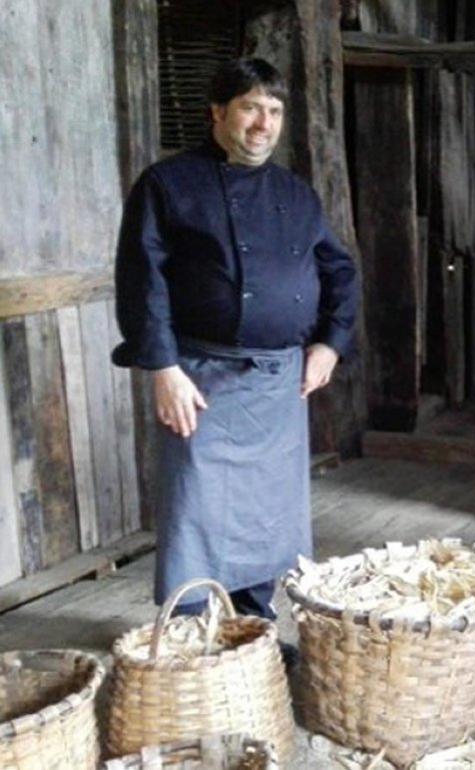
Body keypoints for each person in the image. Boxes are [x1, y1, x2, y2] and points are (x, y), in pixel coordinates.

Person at [111, 58, 359, 621]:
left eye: (274, 111)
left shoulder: (296, 194)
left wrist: (330, 344)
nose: (263, 124)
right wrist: (164, 369)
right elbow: (141, 281)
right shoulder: (168, 184)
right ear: (217, 112)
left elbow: (341, 271)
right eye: (250, 108)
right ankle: (190, 632)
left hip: (278, 383)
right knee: (195, 509)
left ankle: (252, 628)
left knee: (266, 512)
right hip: (201, 377)